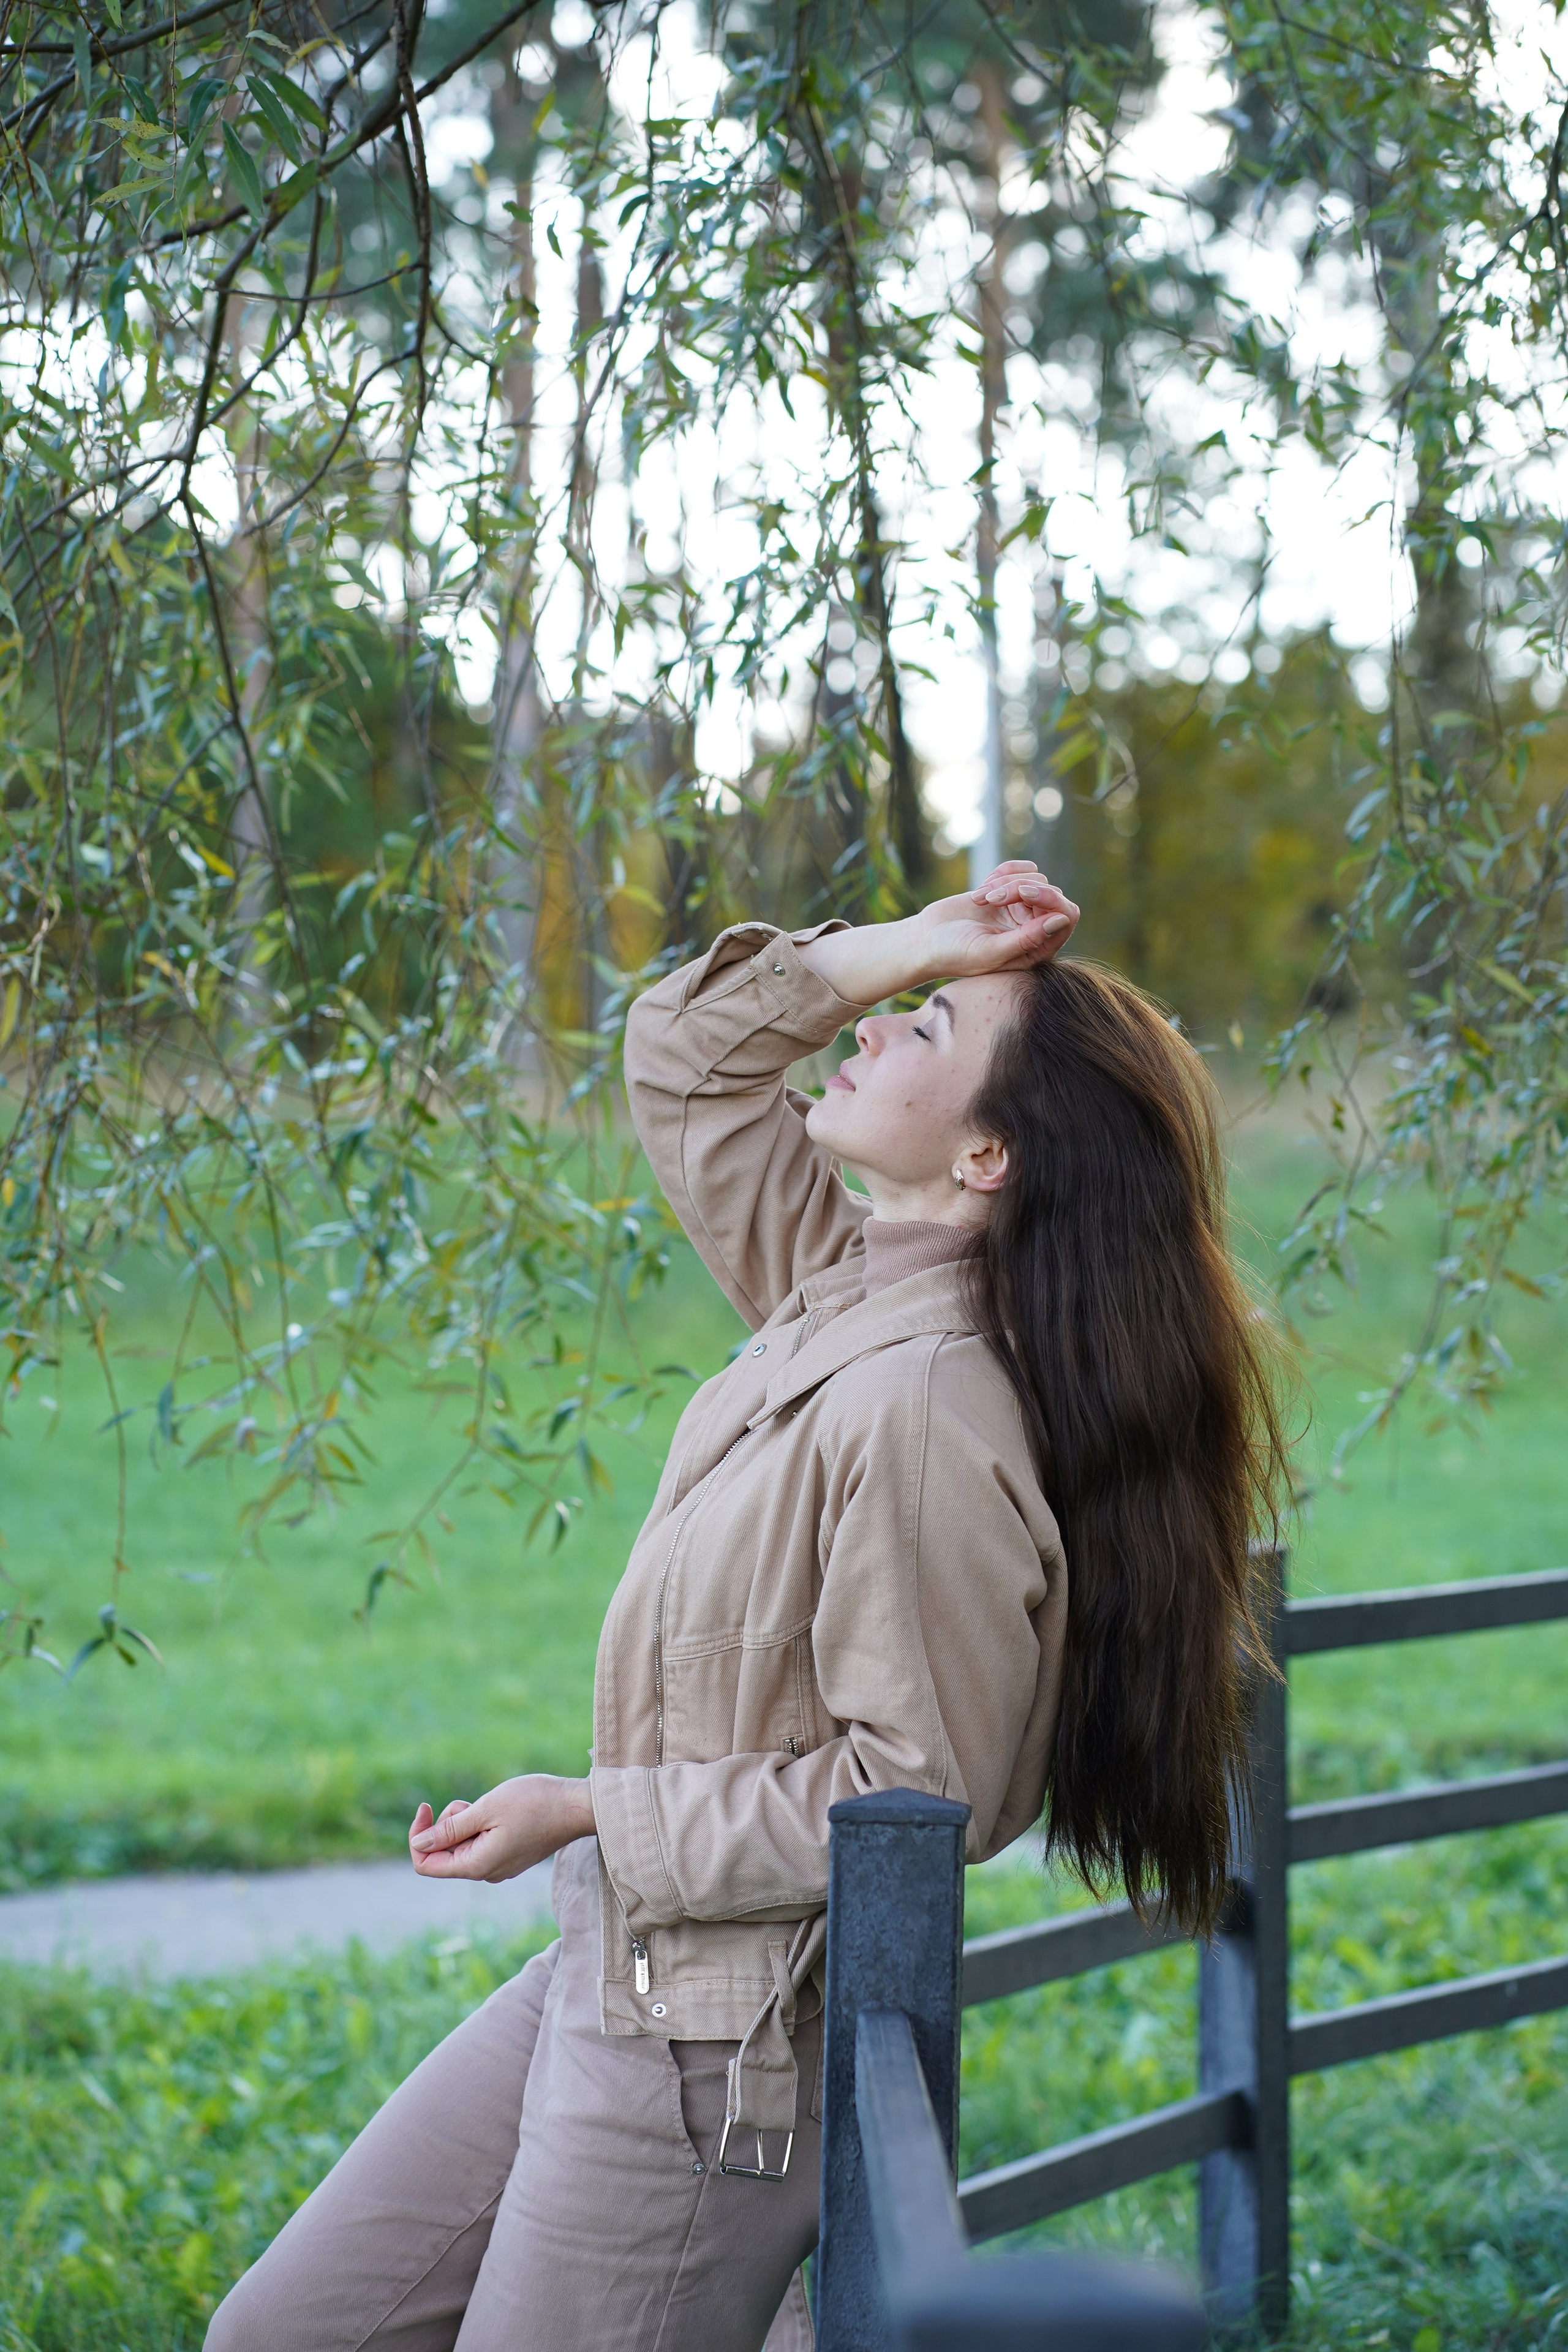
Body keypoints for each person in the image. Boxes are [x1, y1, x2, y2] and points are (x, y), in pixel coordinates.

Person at [207, 861, 1288, 2352]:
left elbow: (911, 1799)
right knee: (282, 2333)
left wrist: (590, 1809)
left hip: (718, 2060)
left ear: (985, 1157)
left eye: (926, 1029)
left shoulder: (923, 1409)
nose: (876, 1030)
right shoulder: (839, 1285)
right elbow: (689, 1060)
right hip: (615, 1974)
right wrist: (923, 943)